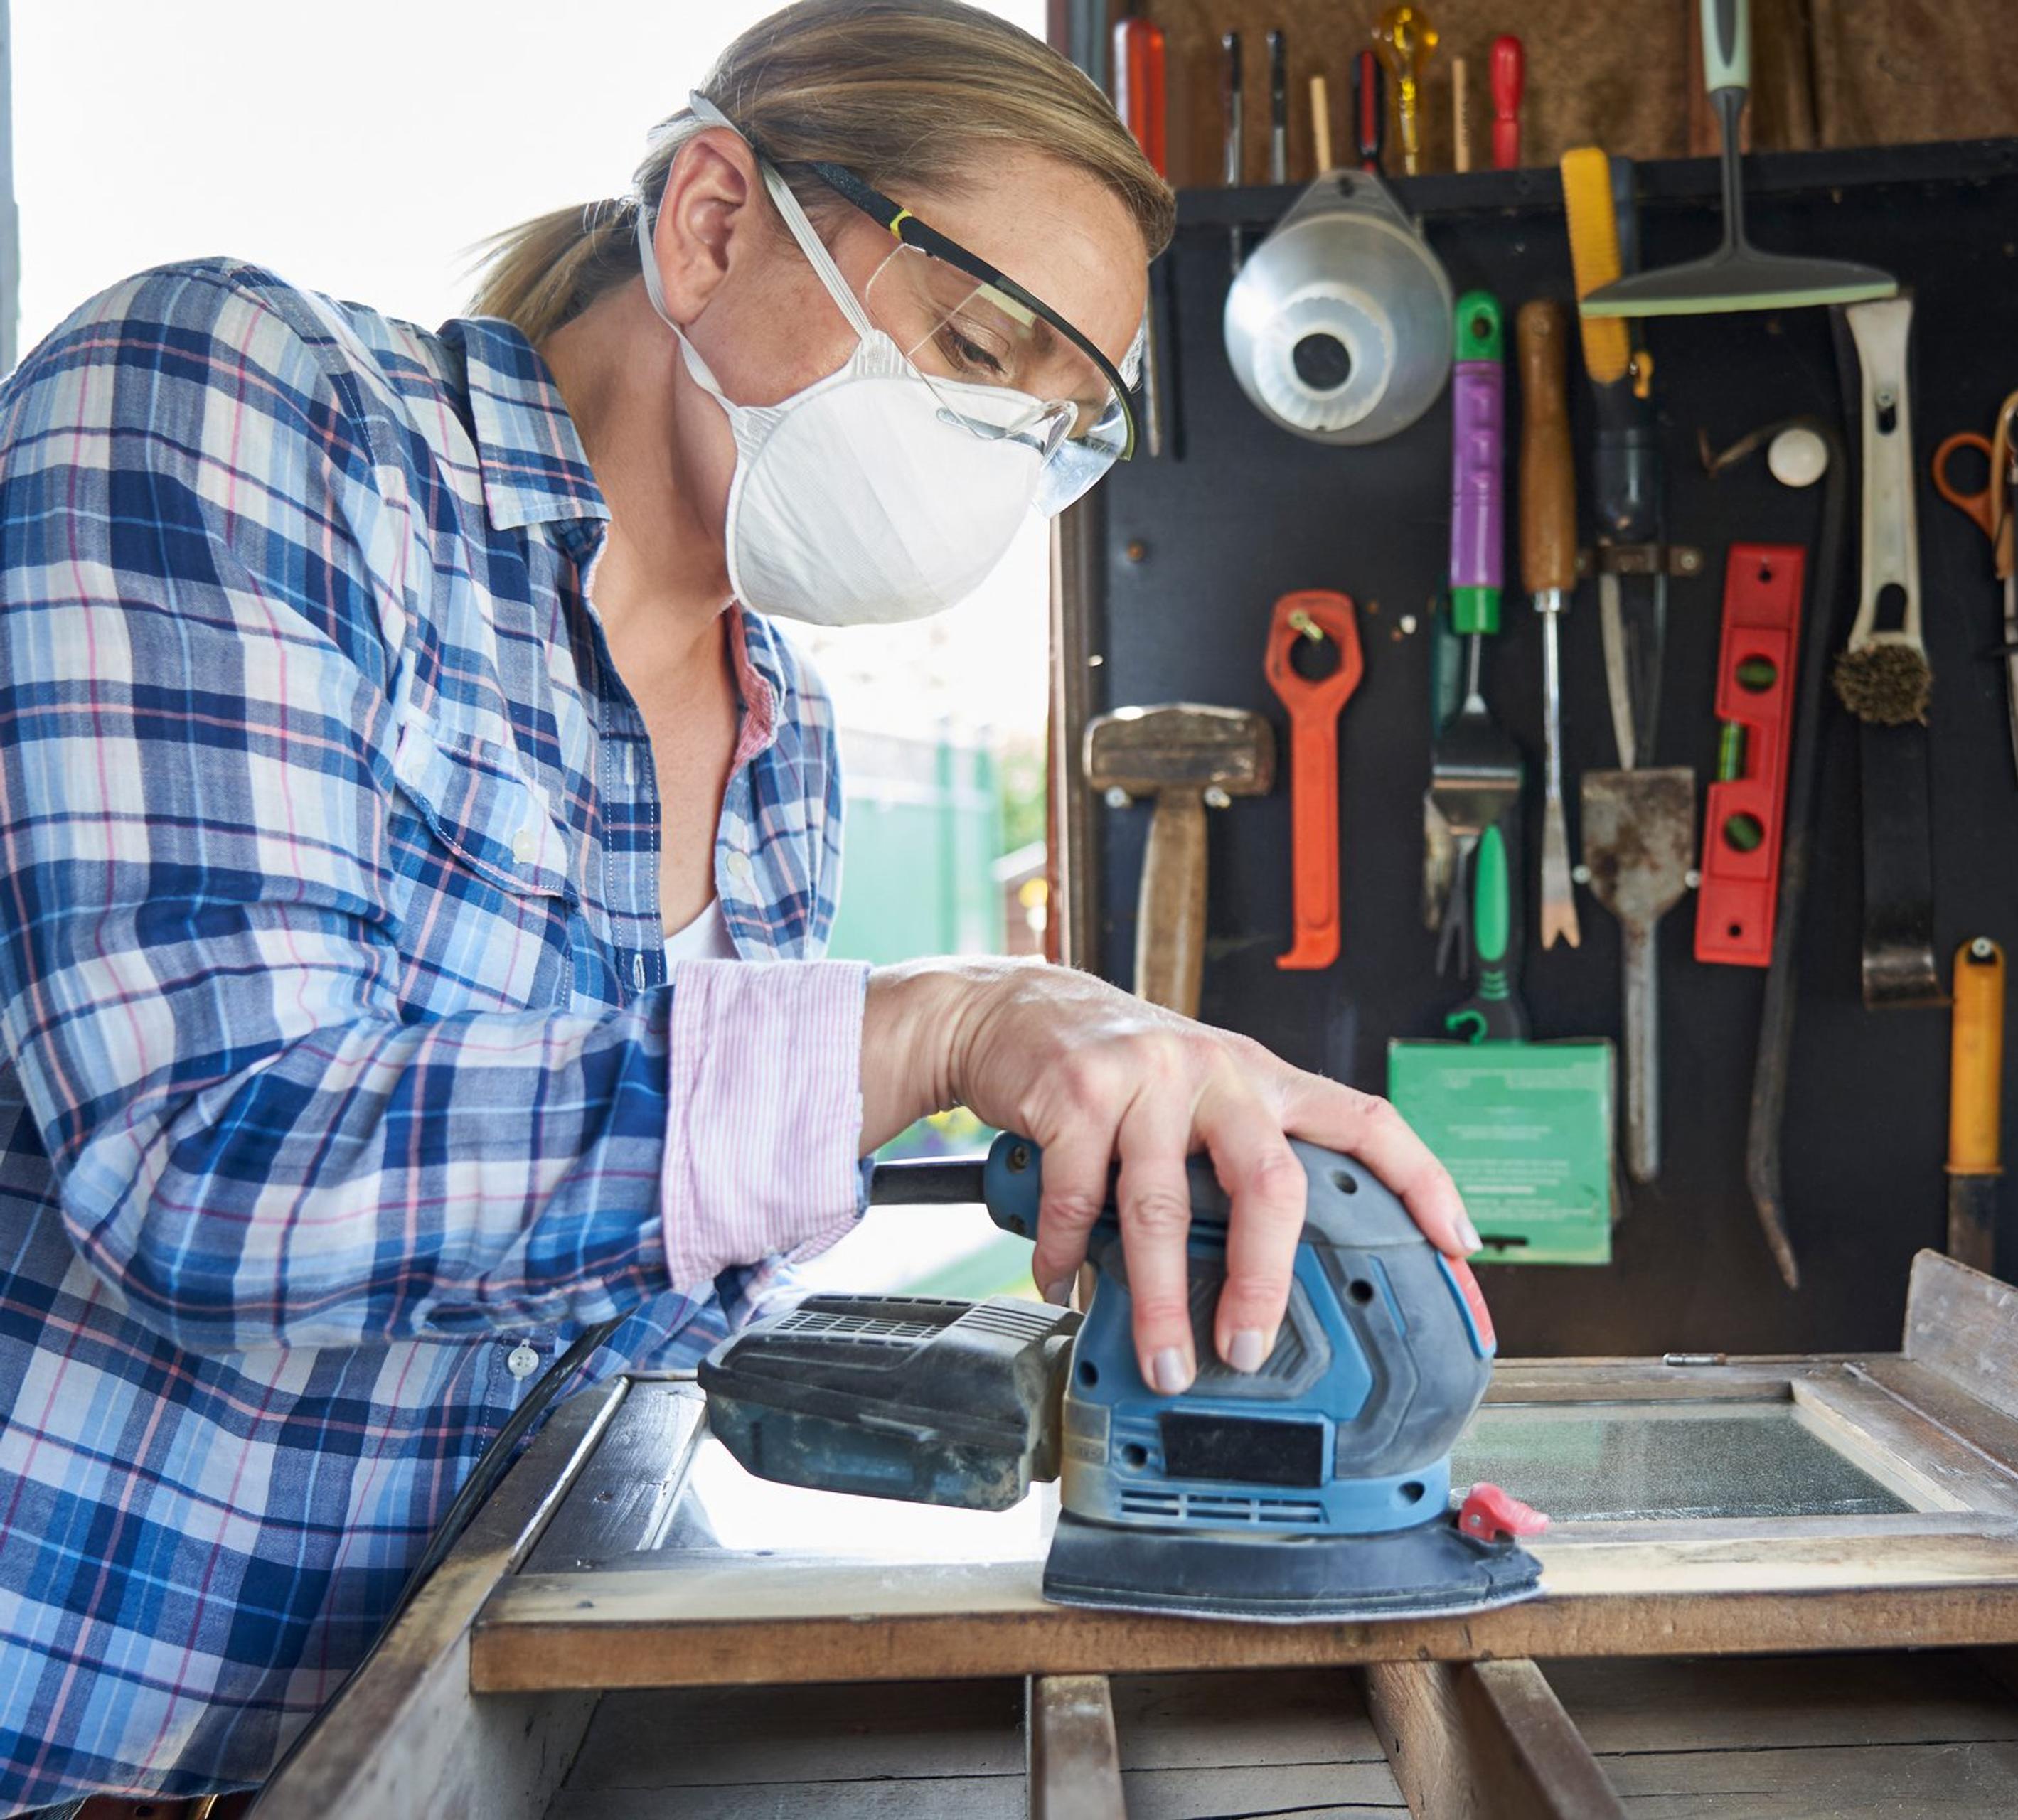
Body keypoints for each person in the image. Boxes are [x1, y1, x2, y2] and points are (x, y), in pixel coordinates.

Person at [0, 3, 1473, 1811]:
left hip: (462, 1745)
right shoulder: (251, 408)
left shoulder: (783, 753)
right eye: (977, 347)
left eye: (1058, 428)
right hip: (90, 1741)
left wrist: (1054, 1395)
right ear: (712, 219)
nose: (1001, 458)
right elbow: (204, 1160)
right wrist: (937, 1024)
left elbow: (622, 1340)